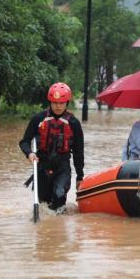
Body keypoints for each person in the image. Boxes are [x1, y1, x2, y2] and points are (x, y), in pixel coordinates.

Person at [19, 82, 84, 215]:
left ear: (67, 102)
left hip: (62, 167)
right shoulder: (38, 119)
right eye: (54, 102)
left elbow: (78, 152)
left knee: (59, 197)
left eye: (61, 103)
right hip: (42, 166)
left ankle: (58, 232)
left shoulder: (74, 123)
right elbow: (24, 142)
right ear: (50, 102)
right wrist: (29, 153)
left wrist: (80, 176)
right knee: (44, 204)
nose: (58, 106)